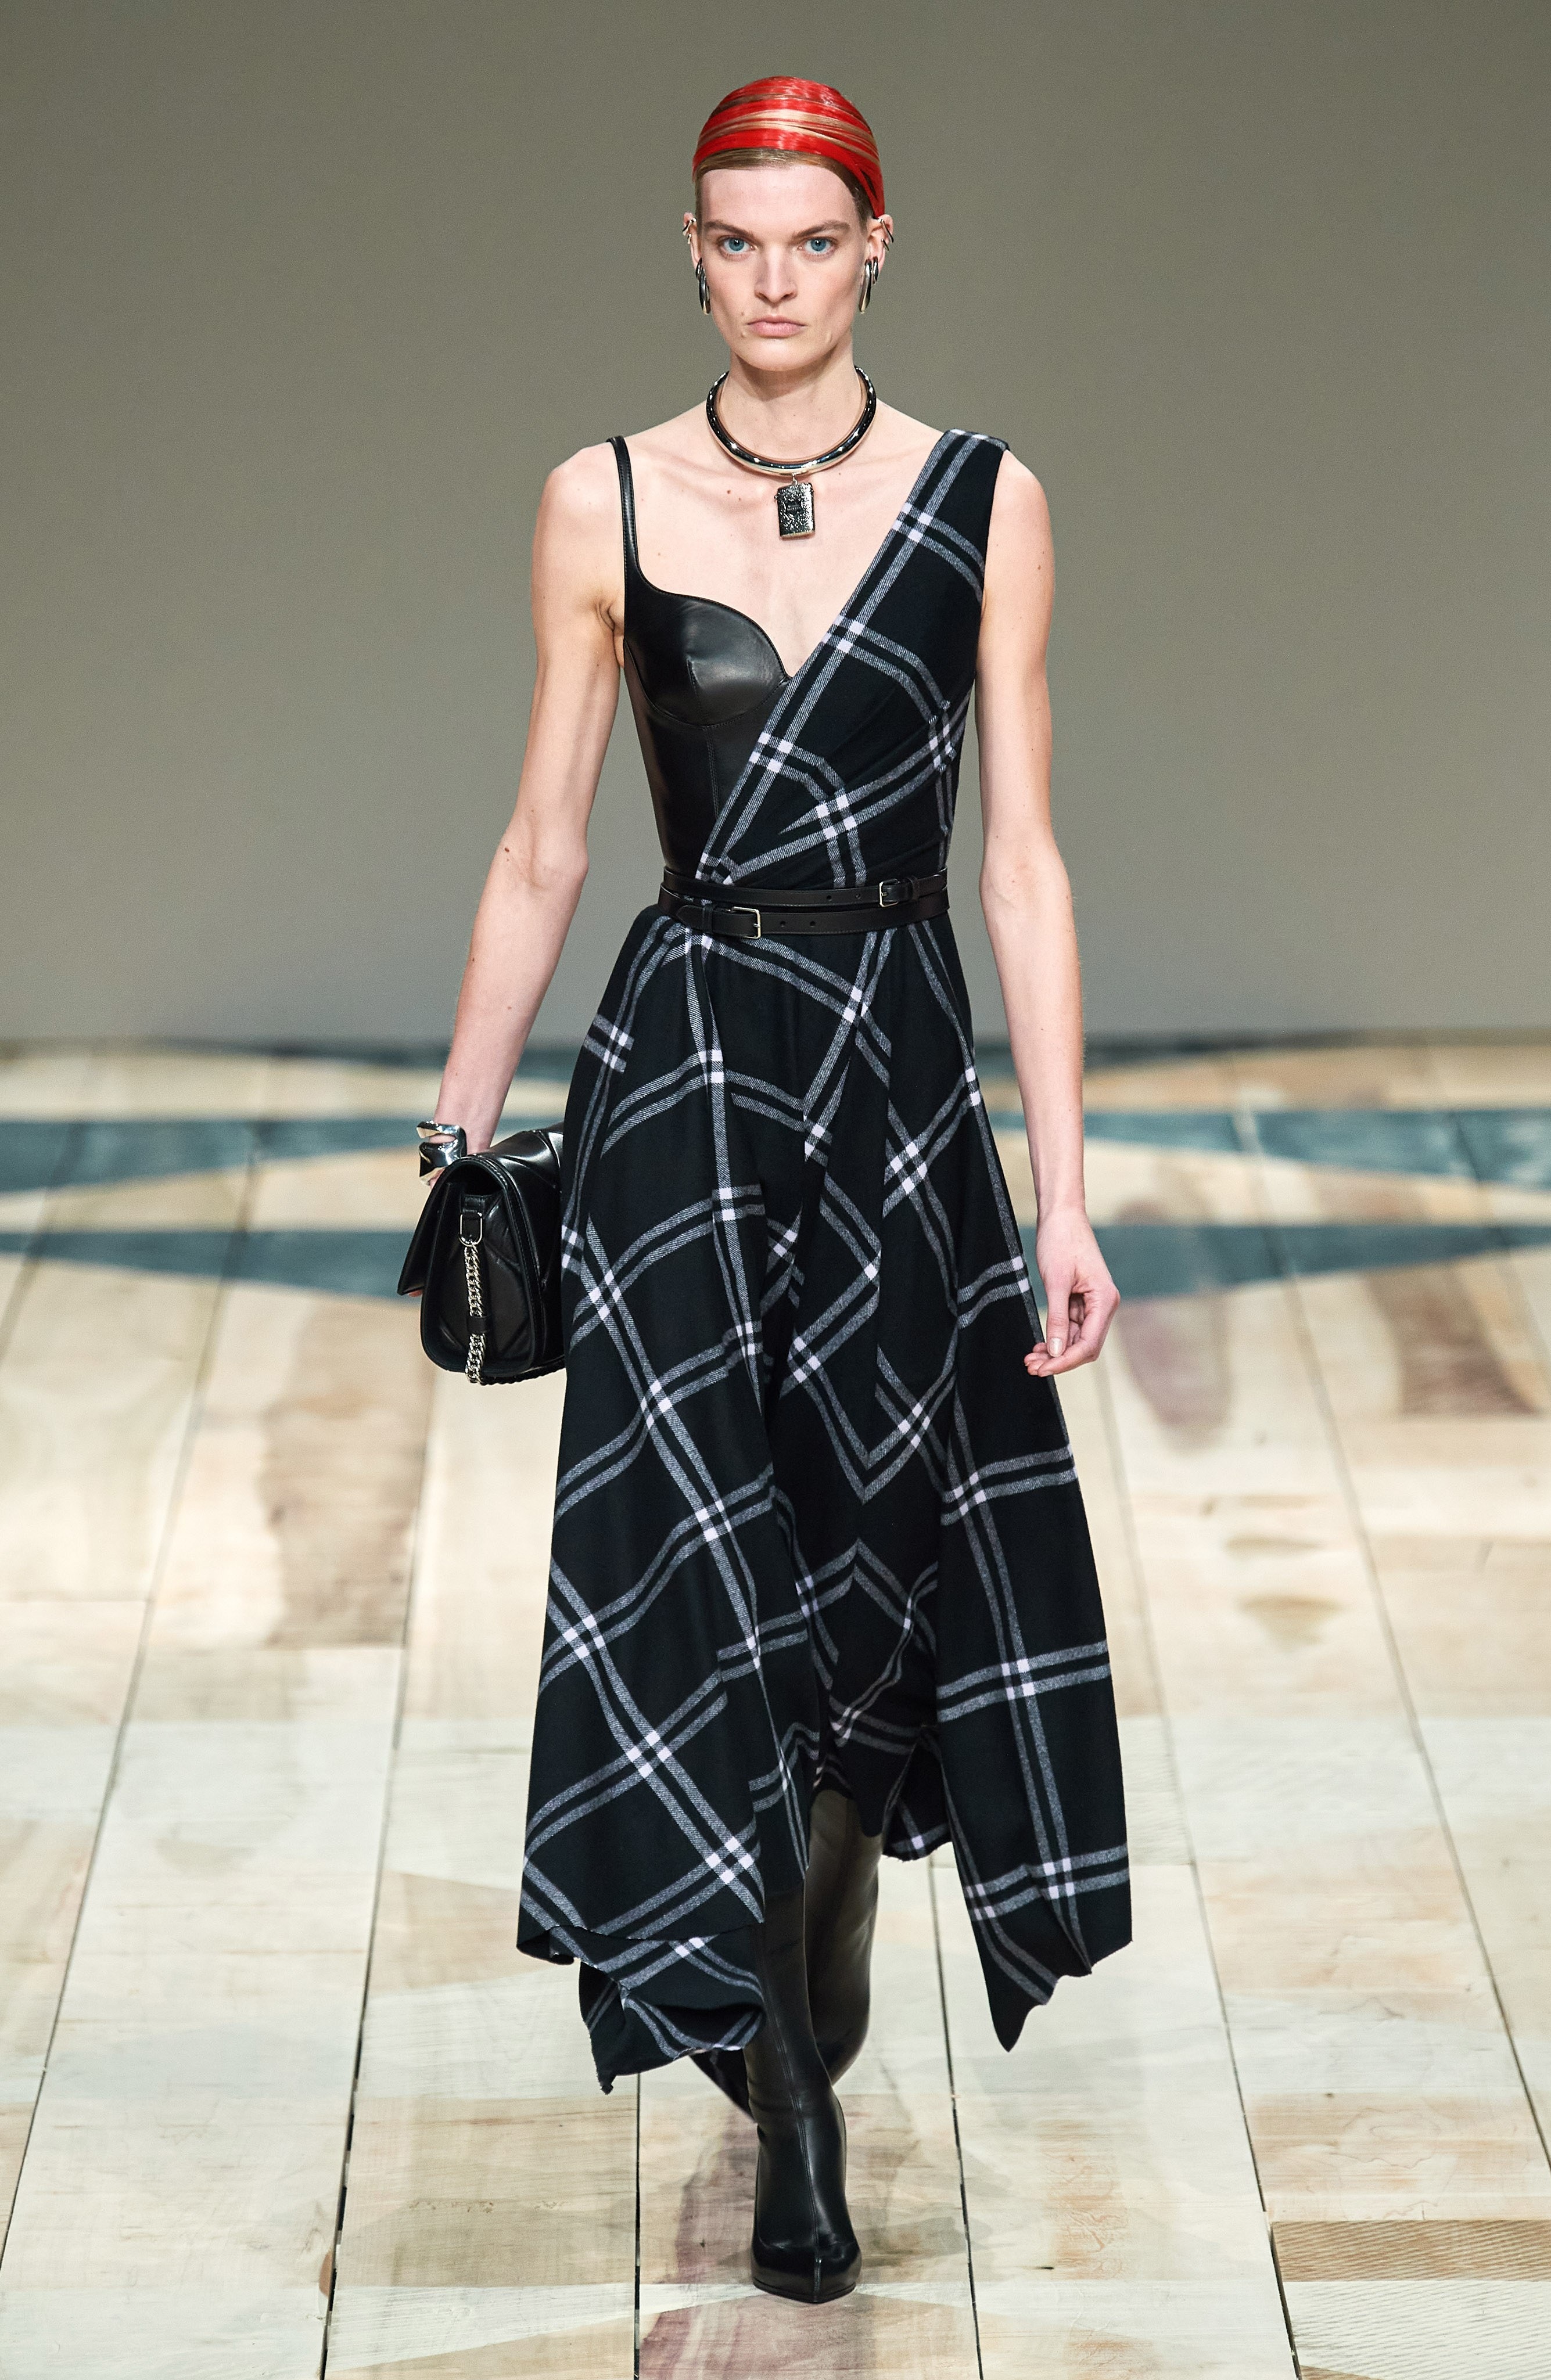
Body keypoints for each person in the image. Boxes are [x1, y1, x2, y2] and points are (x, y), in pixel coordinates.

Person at [423, 76, 1130, 2306]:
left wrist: (1064, 1194)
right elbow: (544, 841)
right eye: (733, 241)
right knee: (702, 1562)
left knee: (874, 1575)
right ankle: (796, 2106)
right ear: (693, 248)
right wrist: (460, 1132)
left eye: (810, 241)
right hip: (692, 1076)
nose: (771, 280)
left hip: (898, 1071)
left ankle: (807, 1953)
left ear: (874, 247)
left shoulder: (986, 500)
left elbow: (1022, 862)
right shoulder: (602, 497)